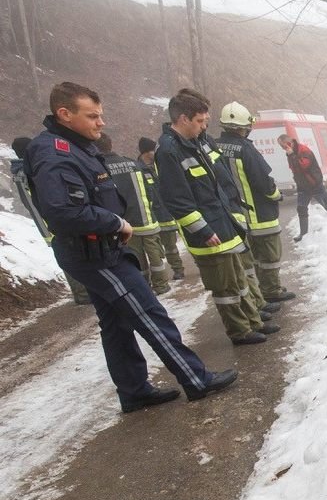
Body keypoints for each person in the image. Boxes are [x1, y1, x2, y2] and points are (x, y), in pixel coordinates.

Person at [22, 81, 237, 411]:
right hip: (94, 254)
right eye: (92, 116)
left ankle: (134, 391)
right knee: (149, 313)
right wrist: (116, 223)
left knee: (116, 324)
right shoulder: (55, 154)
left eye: (101, 115)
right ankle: (196, 379)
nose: (101, 122)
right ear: (64, 114)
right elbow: (64, 210)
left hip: (98, 249)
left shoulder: (73, 145)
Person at [155, 88, 279, 346]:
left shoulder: (199, 142)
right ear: (183, 119)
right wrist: (202, 230)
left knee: (240, 279)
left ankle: (252, 322)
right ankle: (239, 331)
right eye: (199, 121)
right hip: (208, 233)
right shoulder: (168, 151)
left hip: (225, 223)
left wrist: (236, 212)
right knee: (225, 288)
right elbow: (178, 200)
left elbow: (223, 182)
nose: (203, 127)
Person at [216, 102, 296, 304]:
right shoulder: (246, 149)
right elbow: (264, 182)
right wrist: (277, 195)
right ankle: (271, 289)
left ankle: (257, 294)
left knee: (249, 261)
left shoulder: (214, 147)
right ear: (244, 126)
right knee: (269, 256)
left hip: (234, 216)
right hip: (259, 215)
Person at [9, 136, 91, 305]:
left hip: (50, 223)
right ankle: (82, 294)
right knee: (70, 257)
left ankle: (84, 291)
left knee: (71, 256)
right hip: (52, 224)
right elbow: (35, 203)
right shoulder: (25, 172)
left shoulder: (23, 171)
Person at [95, 133, 170, 295]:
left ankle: (145, 287)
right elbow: (150, 190)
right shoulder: (133, 164)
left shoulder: (100, 169)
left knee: (137, 258)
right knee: (155, 255)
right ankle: (162, 286)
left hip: (125, 224)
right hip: (146, 218)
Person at [277, 133, 327, 241]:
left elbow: (304, 166)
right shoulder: (290, 153)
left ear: (289, 143)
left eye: (284, 146)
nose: (283, 149)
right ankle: (304, 234)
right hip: (302, 186)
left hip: (314, 184)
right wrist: (291, 155)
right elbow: (293, 167)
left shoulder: (304, 150)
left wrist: (292, 155)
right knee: (301, 208)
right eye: (282, 147)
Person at [138, 136, 186, 281]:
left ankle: (178, 269)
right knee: (162, 247)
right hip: (154, 214)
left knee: (172, 244)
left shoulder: (160, 164)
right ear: (146, 152)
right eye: (153, 151)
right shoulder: (138, 168)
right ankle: (169, 272)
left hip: (170, 210)